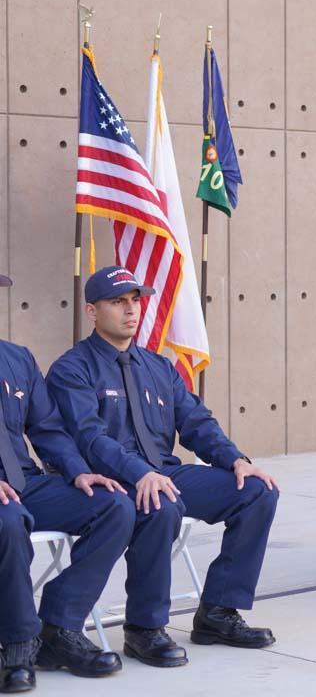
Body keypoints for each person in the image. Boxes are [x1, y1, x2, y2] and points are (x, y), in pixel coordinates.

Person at [47, 267, 280, 667]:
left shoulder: (158, 366)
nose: (131, 310)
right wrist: (140, 474)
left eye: (136, 300)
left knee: (258, 491)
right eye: (118, 301)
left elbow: (197, 423)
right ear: (91, 310)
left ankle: (218, 612)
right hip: (113, 483)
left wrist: (236, 459)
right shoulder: (72, 369)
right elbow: (89, 438)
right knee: (160, 504)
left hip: (165, 473)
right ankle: (144, 628)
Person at [1, 274, 131, 693]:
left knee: (114, 504)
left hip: (24, 481)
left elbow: (48, 429)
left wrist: (77, 471)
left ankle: (58, 627)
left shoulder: (17, 359)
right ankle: (18, 643)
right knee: (7, 521)